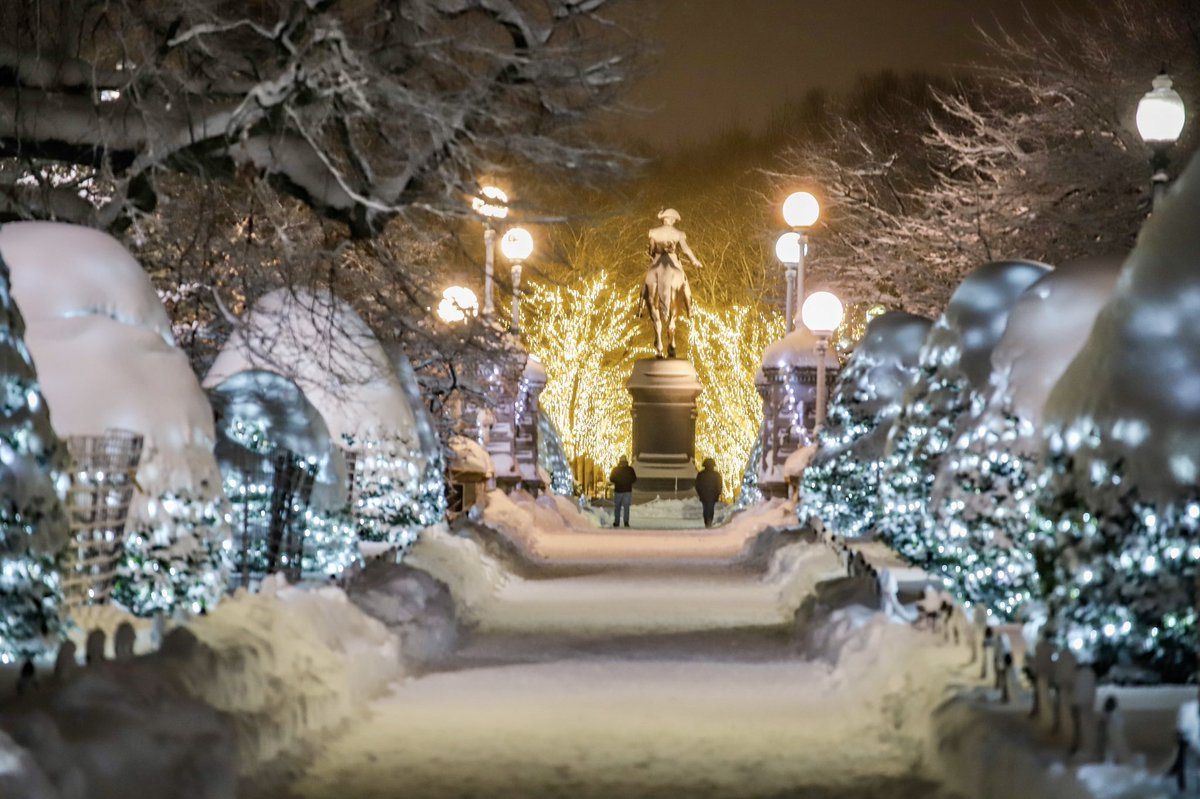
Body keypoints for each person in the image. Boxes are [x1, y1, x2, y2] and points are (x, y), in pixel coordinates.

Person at [609, 455, 637, 528]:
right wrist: (628, 482)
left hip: (618, 490)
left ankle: (616, 522)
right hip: (627, 490)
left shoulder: (616, 469)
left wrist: (618, 481)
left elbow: (611, 479)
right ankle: (626, 522)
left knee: (617, 507)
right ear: (626, 461)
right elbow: (634, 479)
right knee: (626, 507)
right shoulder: (630, 469)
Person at [694, 457, 722, 527]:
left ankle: (706, 521)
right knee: (711, 508)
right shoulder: (716, 475)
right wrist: (718, 493)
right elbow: (719, 485)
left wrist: (700, 493)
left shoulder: (701, 474)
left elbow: (697, 485)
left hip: (704, 495)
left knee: (705, 508)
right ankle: (709, 521)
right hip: (713, 496)